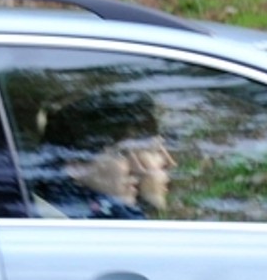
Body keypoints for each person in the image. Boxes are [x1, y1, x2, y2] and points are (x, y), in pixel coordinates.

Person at [28, 91, 175, 219]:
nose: (137, 168)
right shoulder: (92, 218)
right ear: (76, 167)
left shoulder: (71, 208)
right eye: (121, 153)